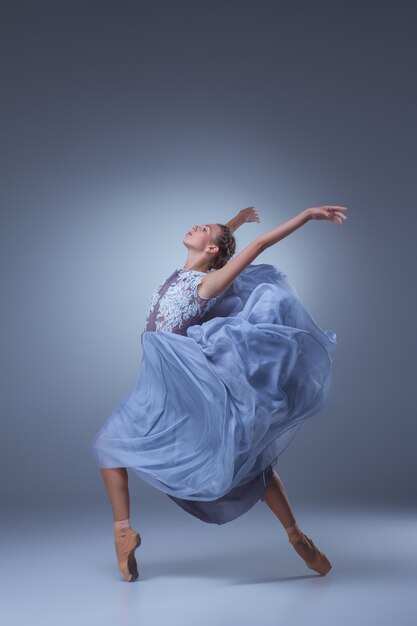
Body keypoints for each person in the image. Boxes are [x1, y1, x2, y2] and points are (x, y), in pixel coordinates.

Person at [91, 204, 348, 582]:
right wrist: (235, 222)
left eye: (205, 229)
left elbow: (257, 246)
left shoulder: (210, 283)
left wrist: (306, 216)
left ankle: (297, 537)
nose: (197, 225)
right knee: (108, 445)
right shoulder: (186, 269)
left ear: (212, 251)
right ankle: (123, 533)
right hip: (159, 373)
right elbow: (223, 242)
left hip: (186, 375)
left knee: (246, 463)